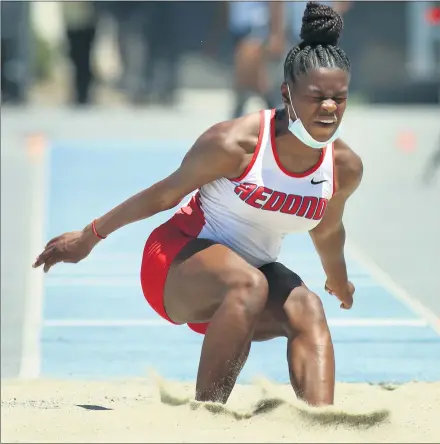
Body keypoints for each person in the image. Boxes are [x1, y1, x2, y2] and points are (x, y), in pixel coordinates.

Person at [33, 2, 363, 407]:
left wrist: (340, 283)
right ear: (286, 93)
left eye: (339, 98)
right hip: (174, 264)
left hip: (247, 280)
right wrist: (90, 235)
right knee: (250, 285)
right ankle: (206, 417)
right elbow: (163, 194)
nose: (329, 108)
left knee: (307, 308)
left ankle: (322, 424)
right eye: (316, 97)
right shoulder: (235, 144)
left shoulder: (343, 166)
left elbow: (328, 230)